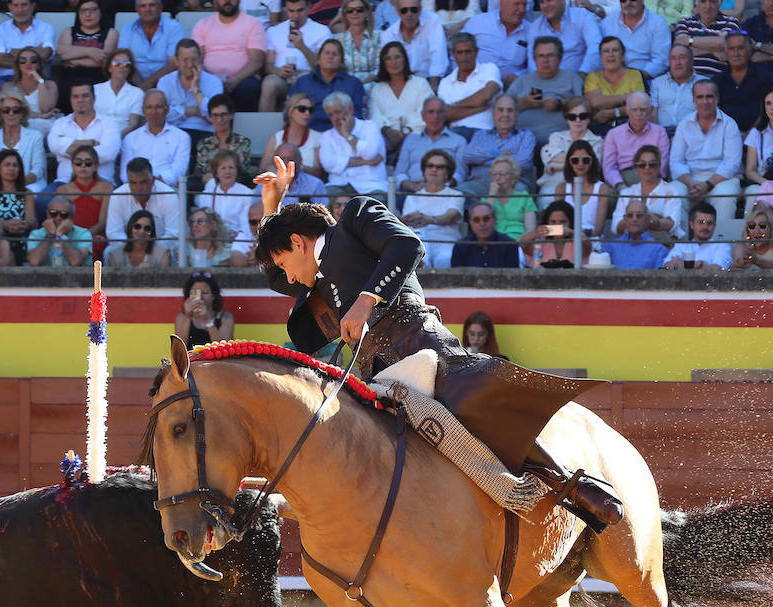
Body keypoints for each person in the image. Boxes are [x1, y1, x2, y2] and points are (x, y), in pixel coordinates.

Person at [252, 156, 624, 531]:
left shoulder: (354, 216)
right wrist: (273, 208)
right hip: (374, 373)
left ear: (299, 242)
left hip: (418, 341)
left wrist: (365, 301)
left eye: (284, 262)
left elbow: (407, 245)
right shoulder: (314, 275)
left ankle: (567, 483)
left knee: (471, 399)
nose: (287, 276)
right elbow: (275, 276)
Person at [669, 80, 741, 218]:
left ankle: (721, 239)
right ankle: (680, 239)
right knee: (674, 193)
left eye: (709, 96)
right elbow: (675, 162)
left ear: (717, 98)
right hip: (690, 178)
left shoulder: (729, 124)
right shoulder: (684, 124)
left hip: (721, 178)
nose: (704, 101)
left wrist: (707, 184)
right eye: (700, 97)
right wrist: (691, 183)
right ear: (693, 100)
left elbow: (732, 164)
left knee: (725, 196)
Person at [191, 0, 267, 112]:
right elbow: (197, 59)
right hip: (210, 77)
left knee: (248, 88)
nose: (227, 1)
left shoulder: (253, 23)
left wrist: (235, 80)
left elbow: (256, 61)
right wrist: (213, 80)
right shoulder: (203, 24)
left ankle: (243, 128)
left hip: (243, 79)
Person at [459, 94, 535, 195]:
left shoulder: (526, 136)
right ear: (493, 114)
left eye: (510, 110)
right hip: (479, 183)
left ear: (517, 115)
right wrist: (497, 153)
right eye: (500, 110)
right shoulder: (480, 135)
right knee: (457, 193)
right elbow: (467, 155)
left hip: (512, 184)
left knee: (520, 193)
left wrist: (486, 162)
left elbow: (523, 162)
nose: (505, 115)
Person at [400, 148, 464, 268]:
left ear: (448, 172)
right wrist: (409, 219)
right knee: (418, 259)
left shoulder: (456, 195)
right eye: (430, 165)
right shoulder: (412, 198)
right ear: (424, 170)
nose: (433, 169)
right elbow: (408, 223)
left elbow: (450, 216)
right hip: (420, 242)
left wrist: (428, 219)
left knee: (445, 259)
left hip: (446, 242)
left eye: (439, 167)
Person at [261, 0, 329, 112]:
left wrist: (302, 47)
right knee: (269, 84)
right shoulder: (274, 31)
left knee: (302, 82)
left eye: (300, 10)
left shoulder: (322, 31)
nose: (295, 15)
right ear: (285, 9)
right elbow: (267, 65)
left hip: (307, 76)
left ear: (309, 7)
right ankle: (265, 127)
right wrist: (278, 71)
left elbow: (321, 67)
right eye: (291, 11)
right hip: (281, 77)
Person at [46, 82, 120, 185]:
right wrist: (89, 143)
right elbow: (54, 146)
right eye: (75, 96)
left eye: (85, 96)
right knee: (42, 200)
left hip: (101, 183)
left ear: (94, 99)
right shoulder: (60, 123)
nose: (80, 100)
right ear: (71, 100)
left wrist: (70, 151)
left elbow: (108, 153)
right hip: (65, 182)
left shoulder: (110, 123)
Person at [288, 37, 367, 132]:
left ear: (342, 61)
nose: (330, 57)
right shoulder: (303, 82)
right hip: (309, 133)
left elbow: (358, 115)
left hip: (342, 133)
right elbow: (289, 112)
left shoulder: (354, 83)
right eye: (327, 53)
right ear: (318, 59)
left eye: (335, 54)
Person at [396, 98, 469, 197]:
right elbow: (400, 174)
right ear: (423, 116)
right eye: (431, 112)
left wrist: (440, 186)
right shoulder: (411, 140)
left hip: (444, 191)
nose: (435, 116)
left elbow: (460, 174)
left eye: (439, 112)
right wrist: (414, 186)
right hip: (413, 190)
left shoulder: (459, 141)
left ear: (445, 116)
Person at [610, 144, 685, 240]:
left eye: (652, 164)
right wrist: (643, 219)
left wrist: (636, 220)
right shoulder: (627, 193)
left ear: (659, 166)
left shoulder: (671, 191)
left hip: (659, 242)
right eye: (642, 165)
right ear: (636, 167)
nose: (647, 168)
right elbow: (615, 226)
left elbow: (673, 223)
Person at [318, 91, 386, 196]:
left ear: (350, 109)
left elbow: (370, 154)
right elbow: (328, 164)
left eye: (337, 112)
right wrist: (367, 162)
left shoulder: (370, 126)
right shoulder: (327, 135)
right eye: (331, 115)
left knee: (374, 207)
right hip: (339, 184)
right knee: (324, 200)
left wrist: (347, 135)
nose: (335, 118)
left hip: (371, 185)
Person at [120, 89, 191, 186]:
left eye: (158, 107)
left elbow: (178, 171)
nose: (153, 112)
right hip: (135, 188)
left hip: (167, 189)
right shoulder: (130, 138)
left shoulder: (182, 137)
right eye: (149, 107)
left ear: (167, 109)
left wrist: (153, 183)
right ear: (143, 110)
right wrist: (142, 183)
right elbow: (125, 173)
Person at [107, 156, 181, 247]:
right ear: (127, 182)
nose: (139, 189)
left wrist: (149, 250)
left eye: (143, 182)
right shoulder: (117, 195)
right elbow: (113, 234)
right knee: (108, 252)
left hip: (160, 252)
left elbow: (173, 234)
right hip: (128, 251)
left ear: (153, 180)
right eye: (133, 183)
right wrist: (134, 249)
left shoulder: (169, 195)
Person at [600, 91, 668, 188]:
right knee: (607, 197)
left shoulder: (660, 132)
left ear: (651, 110)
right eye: (634, 110)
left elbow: (662, 166)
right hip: (622, 178)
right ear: (627, 111)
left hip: (651, 177)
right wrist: (620, 185)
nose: (638, 114)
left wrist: (648, 185)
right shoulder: (613, 134)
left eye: (643, 110)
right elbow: (609, 168)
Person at [369, 41, 426, 157]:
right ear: (383, 63)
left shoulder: (421, 83)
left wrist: (406, 132)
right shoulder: (377, 89)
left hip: (418, 139)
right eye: (388, 58)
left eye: (397, 57)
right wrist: (389, 132)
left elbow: (427, 111)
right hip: (387, 142)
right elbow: (375, 116)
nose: (393, 62)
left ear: (404, 59)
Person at [437, 33, 502, 133]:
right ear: (453, 54)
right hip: (457, 133)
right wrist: (480, 108)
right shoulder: (445, 82)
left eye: (468, 52)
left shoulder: (489, 68)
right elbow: (446, 115)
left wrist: (455, 105)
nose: (464, 57)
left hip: (486, 132)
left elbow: (487, 95)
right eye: (460, 52)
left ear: (476, 52)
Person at [537, 96, 601, 197]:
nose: (578, 120)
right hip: (552, 186)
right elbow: (547, 155)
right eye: (572, 117)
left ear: (589, 118)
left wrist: (557, 165)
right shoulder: (556, 137)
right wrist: (580, 160)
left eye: (583, 116)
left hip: (582, 187)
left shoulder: (597, 142)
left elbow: (592, 168)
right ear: (567, 119)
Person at [56, 0, 117, 103]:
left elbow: (105, 60)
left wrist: (76, 61)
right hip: (70, 78)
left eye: (92, 10)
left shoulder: (111, 32)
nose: (87, 14)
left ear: (100, 12)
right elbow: (62, 53)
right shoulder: (69, 31)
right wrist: (90, 52)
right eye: (83, 11)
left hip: (98, 79)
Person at [0, 148, 36, 264]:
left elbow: (32, 221)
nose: (11, 169)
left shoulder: (27, 193)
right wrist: (4, 225)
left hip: (21, 238)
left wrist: (23, 224)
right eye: (7, 165)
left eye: (15, 165)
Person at [583, 35, 644, 133]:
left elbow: (639, 105)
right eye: (606, 51)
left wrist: (612, 112)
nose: (610, 54)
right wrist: (625, 97)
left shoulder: (634, 74)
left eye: (615, 50)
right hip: (599, 129)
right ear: (600, 56)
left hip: (630, 126)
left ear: (623, 54)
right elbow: (596, 102)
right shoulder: (593, 77)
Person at [0, 0, 55, 88]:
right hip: (5, 79)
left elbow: (45, 54)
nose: (20, 10)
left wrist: (10, 51)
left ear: (32, 6)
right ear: (10, 7)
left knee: (49, 89)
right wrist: (33, 53)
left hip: (36, 78)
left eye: (24, 5)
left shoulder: (46, 28)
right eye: (15, 5)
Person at [552, 139, 611, 237]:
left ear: (592, 161)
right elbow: (555, 225)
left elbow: (598, 230)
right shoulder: (561, 188)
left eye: (585, 160)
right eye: (575, 160)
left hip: (591, 241)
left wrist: (578, 236)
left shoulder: (602, 188)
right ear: (569, 162)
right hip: (566, 240)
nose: (580, 164)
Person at [670, 0, 741, 80]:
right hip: (689, 77)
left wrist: (689, 41)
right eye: (703, 1)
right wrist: (713, 50)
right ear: (696, 2)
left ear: (720, 3)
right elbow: (680, 48)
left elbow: (724, 44)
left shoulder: (731, 22)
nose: (708, 6)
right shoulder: (685, 22)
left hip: (717, 78)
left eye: (713, 2)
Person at [121, 0, 184, 91]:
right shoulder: (127, 29)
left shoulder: (174, 28)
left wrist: (148, 84)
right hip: (133, 83)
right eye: (143, 6)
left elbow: (174, 63)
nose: (148, 9)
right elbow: (125, 61)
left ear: (160, 8)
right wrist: (140, 87)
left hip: (167, 84)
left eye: (152, 5)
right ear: (137, 10)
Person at [55, 143, 112, 241]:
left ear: (96, 166)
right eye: (78, 162)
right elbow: (59, 221)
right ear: (72, 165)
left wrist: (83, 237)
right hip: (70, 238)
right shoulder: (62, 190)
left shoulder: (107, 188)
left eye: (88, 163)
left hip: (96, 239)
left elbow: (103, 223)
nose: (83, 166)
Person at [601, 0, 671, 80]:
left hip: (645, 79)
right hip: (612, 78)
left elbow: (661, 61)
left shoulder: (658, 24)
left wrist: (635, 78)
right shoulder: (607, 23)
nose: (628, 3)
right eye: (623, 0)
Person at [193, 94, 252, 189]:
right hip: (209, 190)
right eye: (215, 115)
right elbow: (200, 172)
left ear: (231, 115)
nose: (219, 119)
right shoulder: (203, 144)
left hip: (236, 189)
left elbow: (241, 170)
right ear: (210, 117)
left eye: (223, 115)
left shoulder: (243, 142)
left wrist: (213, 173)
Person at [379, 0, 447, 81]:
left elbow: (438, 53)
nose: (409, 14)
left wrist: (434, 81)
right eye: (404, 10)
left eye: (414, 10)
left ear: (421, 9)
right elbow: (388, 64)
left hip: (432, 78)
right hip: (404, 81)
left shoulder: (432, 20)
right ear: (397, 12)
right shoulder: (389, 35)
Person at [199, 149, 253, 248]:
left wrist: (237, 238)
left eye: (231, 168)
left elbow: (246, 226)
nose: (227, 172)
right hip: (213, 240)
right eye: (223, 168)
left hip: (238, 240)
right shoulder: (207, 195)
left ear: (237, 170)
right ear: (216, 173)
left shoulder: (247, 193)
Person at [259, 93, 322, 178]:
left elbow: (320, 174)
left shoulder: (318, 138)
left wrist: (298, 167)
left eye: (310, 110)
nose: (307, 113)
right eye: (302, 109)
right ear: (290, 111)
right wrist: (270, 168)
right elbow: (261, 170)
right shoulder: (276, 138)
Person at [5, 45, 61, 135]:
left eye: (33, 60)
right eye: (23, 60)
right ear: (18, 65)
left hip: (45, 124)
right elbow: (10, 111)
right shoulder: (8, 86)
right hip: (20, 122)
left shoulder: (50, 85)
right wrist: (40, 116)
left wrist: (40, 81)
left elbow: (46, 108)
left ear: (39, 64)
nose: (28, 63)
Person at [519, 199, 591, 268]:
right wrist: (536, 232)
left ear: (571, 222)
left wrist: (571, 232)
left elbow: (587, 247)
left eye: (563, 222)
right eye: (553, 222)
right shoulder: (540, 241)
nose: (557, 225)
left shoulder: (577, 239)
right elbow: (523, 245)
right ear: (547, 222)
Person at [175, 270, 236, 348]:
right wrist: (188, 317)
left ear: (213, 296)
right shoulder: (182, 317)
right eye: (195, 292)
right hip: (191, 360)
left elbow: (223, 348)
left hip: (215, 360)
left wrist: (207, 320)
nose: (200, 297)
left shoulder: (226, 317)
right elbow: (179, 348)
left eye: (205, 292)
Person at [28, 196, 93, 267]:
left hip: (74, 277)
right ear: (47, 214)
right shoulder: (36, 234)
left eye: (64, 214)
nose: (58, 218)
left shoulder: (83, 234)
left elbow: (76, 261)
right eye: (53, 213)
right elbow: (34, 261)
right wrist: (50, 235)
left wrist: (60, 235)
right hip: (45, 277)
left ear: (72, 217)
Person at [663, 201, 732, 269]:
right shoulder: (681, 246)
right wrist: (700, 265)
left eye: (710, 223)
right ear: (691, 225)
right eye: (701, 222)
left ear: (714, 226)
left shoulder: (722, 246)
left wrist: (679, 265)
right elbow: (667, 265)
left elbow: (718, 269)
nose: (705, 227)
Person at [451, 201, 519, 269]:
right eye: (476, 220)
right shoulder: (460, 247)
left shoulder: (509, 245)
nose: (482, 224)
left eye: (486, 219)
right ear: (470, 223)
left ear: (495, 220)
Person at [649, 43, 699, 134]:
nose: (677, 63)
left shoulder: (703, 84)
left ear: (691, 61)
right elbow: (653, 115)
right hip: (662, 133)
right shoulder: (657, 83)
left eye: (682, 57)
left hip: (691, 134)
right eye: (673, 58)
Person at [485, 156, 537, 240]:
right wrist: (491, 196)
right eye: (494, 174)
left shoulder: (524, 197)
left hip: (519, 242)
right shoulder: (486, 201)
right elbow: (485, 225)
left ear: (513, 178)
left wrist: (517, 244)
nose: (497, 178)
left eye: (502, 174)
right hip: (494, 244)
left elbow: (531, 230)